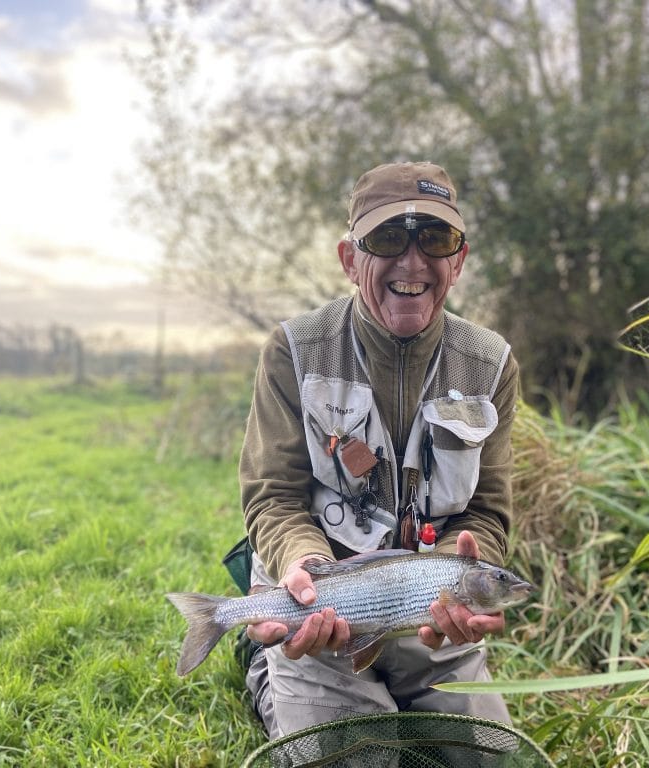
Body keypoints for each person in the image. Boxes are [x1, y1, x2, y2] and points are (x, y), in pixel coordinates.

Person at [240, 161, 520, 739]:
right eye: (388, 239)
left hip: (430, 633)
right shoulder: (294, 351)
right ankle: (268, 671)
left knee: (487, 758)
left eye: (435, 240)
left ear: (459, 260)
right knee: (360, 757)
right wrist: (301, 566)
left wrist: (456, 586)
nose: (412, 262)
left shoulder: (491, 364)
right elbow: (274, 495)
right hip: (321, 615)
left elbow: (487, 511)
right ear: (350, 259)